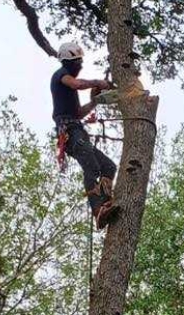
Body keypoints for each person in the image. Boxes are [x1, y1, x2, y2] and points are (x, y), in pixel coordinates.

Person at [50, 42, 120, 230]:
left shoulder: (70, 88)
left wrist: (95, 101)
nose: (80, 66)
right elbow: (78, 84)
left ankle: (106, 203)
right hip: (69, 133)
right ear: (68, 62)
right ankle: (97, 209)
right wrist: (98, 82)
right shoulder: (61, 76)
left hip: (77, 130)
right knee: (92, 166)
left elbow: (79, 113)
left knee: (108, 166)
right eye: (77, 62)